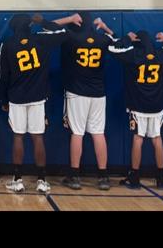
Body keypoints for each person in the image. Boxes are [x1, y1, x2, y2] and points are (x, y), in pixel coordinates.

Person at [0, 13, 79, 193]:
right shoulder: (41, 39)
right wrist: (43, 21)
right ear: (29, 26)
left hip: (16, 98)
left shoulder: (8, 45)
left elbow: (3, 77)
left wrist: (3, 100)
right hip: (37, 97)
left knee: (18, 137)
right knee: (38, 137)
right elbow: (63, 33)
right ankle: (42, 181)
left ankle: (17, 180)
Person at [47, 12, 118, 191]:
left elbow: (48, 26)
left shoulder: (71, 37)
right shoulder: (102, 39)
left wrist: (68, 19)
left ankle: (74, 175)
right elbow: (119, 41)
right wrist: (105, 27)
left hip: (77, 92)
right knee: (98, 133)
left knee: (77, 133)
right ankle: (103, 177)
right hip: (98, 94)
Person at [108, 29, 163, 190]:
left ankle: (134, 177)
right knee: (157, 139)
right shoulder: (162, 54)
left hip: (138, 106)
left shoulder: (133, 55)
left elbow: (112, 49)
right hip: (156, 106)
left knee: (138, 139)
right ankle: (161, 177)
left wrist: (127, 38)